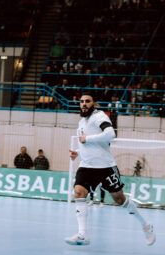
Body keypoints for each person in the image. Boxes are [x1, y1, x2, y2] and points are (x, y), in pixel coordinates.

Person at [65, 94, 155, 246]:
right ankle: (83, 234)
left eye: (87, 101)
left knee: (120, 199)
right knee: (79, 193)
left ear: (94, 104)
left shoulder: (99, 116)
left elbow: (110, 134)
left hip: (105, 166)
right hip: (87, 166)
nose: (84, 104)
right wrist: (77, 153)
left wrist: (88, 139)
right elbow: (87, 145)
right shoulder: (82, 121)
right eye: (81, 101)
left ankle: (146, 225)